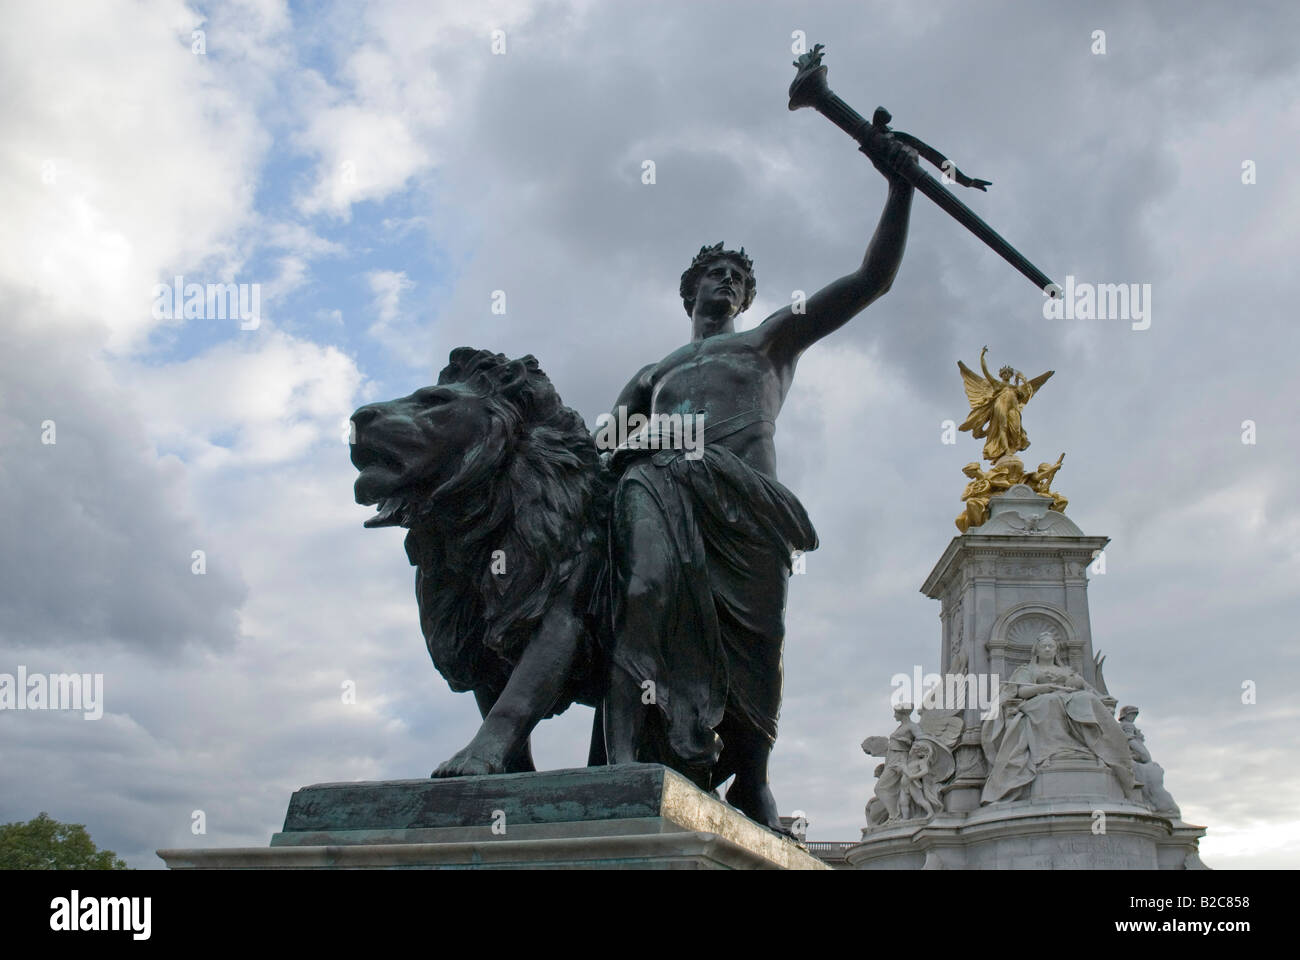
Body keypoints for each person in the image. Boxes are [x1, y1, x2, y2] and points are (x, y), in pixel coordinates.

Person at [601, 137, 918, 832]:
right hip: (663, 491)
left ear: (747, 297)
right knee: (645, 594)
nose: (723, 281)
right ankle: (627, 755)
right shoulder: (654, 373)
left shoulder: (768, 342)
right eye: (711, 273)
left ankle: (754, 778)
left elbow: (871, 281)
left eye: (734, 276)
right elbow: (604, 447)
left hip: (747, 509)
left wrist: (900, 191)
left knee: (760, 640)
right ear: (690, 291)